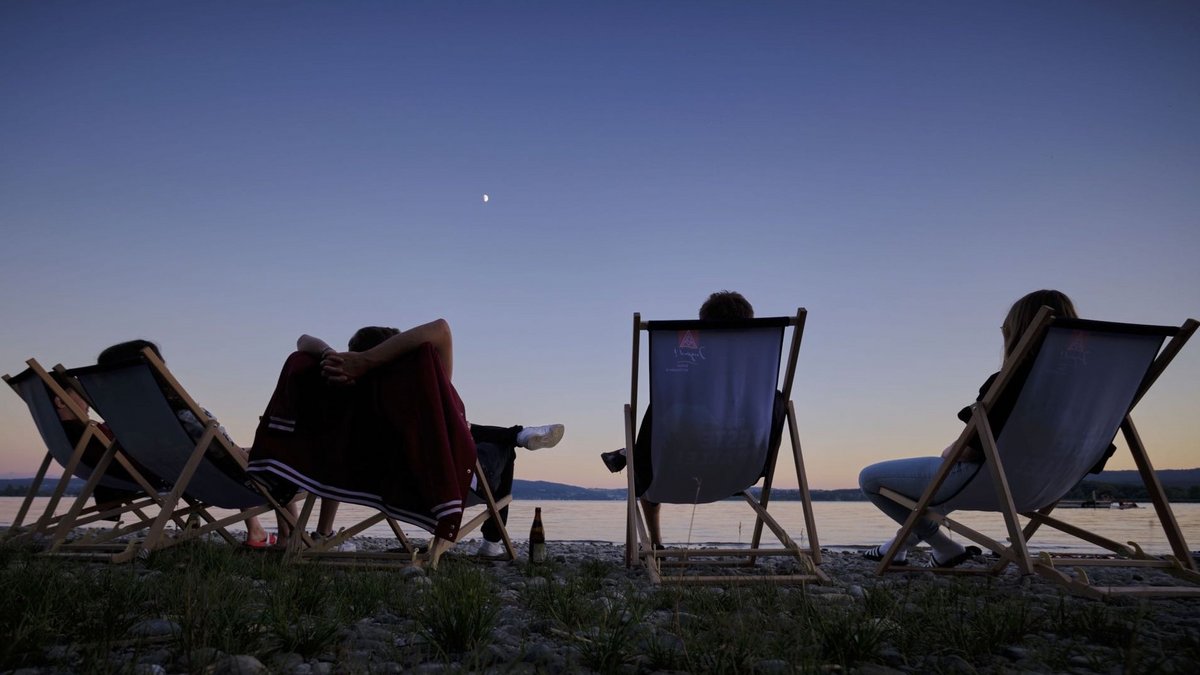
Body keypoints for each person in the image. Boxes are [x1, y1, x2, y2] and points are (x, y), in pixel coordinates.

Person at [857, 289, 1085, 568]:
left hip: (991, 482)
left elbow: (969, 451)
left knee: (870, 478)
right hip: (1050, 487)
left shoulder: (1013, 381)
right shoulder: (1091, 394)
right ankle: (897, 548)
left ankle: (945, 547)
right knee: (938, 496)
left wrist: (950, 450)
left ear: (1017, 332)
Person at [299, 321, 565, 558]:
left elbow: (303, 340)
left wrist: (331, 356)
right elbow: (442, 329)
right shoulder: (418, 392)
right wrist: (370, 360)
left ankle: (518, 433)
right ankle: (493, 540)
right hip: (441, 482)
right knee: (499, 446)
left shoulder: (341, 391)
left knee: (465, 428)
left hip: (371, 478)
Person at [599, 290, 778, 550]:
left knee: (648, 457)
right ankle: (627, 453)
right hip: (740, 470)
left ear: (703, 326)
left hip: (672, 470)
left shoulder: (679, 391)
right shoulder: (760, 392)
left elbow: (655, 442)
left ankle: (655, 542)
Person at [96, 340, 296, 548]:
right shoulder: (183, 415)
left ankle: (257, 531)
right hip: (223, 478)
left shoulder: (129, 419)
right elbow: (226, 452)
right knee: (278, 464)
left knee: (247, 459)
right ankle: (288, 537)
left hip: (188, 478)